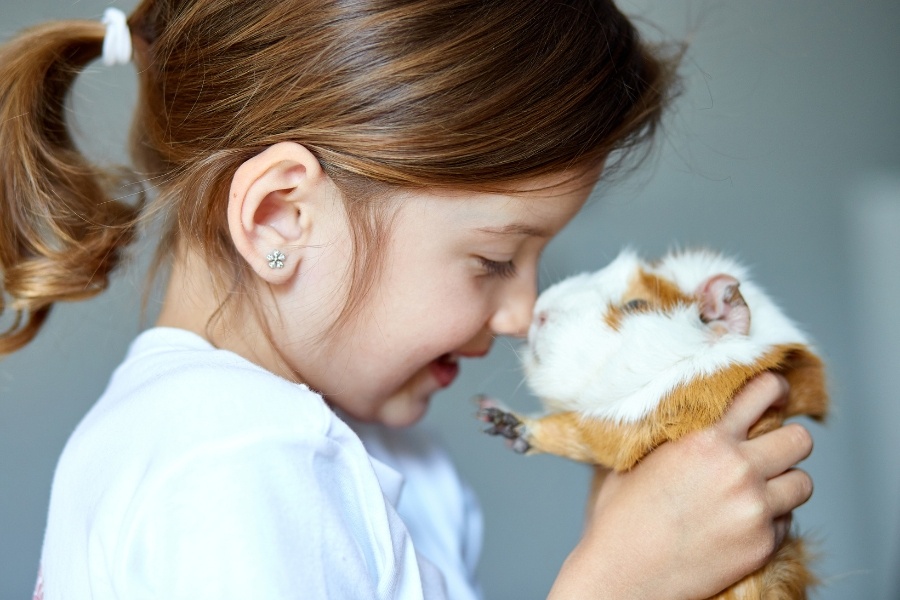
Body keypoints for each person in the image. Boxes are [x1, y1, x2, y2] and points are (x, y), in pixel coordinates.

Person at [0, 1, 815, 598]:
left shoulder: (341, 451)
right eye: (494, 258)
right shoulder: (236, 463)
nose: (522, 313)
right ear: (281, 217)